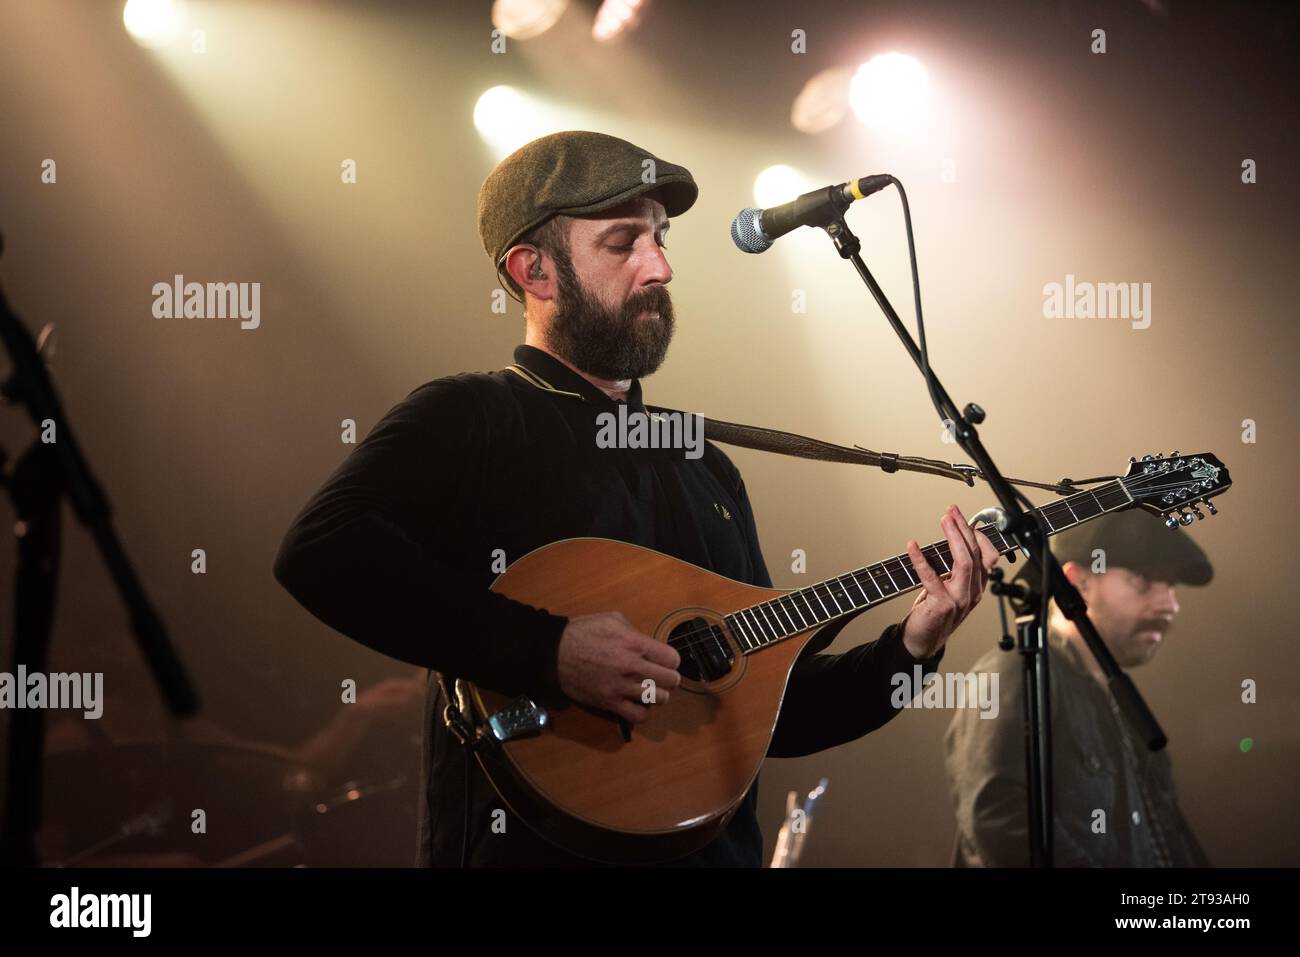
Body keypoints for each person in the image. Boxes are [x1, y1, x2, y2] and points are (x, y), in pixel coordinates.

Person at [273, 130, 1000, 866]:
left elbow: (770, 712)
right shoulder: (473, 417)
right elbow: (321, 550)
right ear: (535, 271)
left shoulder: (705, 467)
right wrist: (547, 650)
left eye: (661, 238)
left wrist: (915, 644)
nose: (661, 267)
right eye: (624, 243)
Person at [944, 509, 1213, 867]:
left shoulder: (1120, 701)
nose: (1169, 605)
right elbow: (999, 822)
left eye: (1172, 586)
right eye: (1144, 581)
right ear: (1077, 581)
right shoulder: (1015, 672)